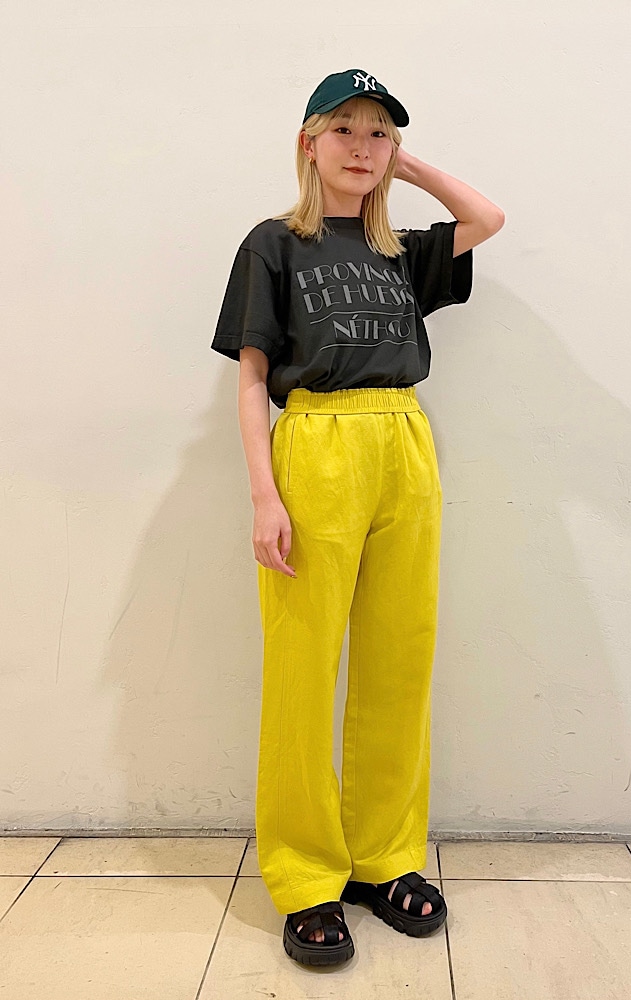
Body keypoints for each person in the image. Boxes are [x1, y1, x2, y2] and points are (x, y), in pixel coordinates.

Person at [210, 68, 505, 967]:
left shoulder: (399, 251)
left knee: (398, 659)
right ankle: (305, 875)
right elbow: (252, 378)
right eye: (345, 129)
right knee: (304, 665)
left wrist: (406, 172)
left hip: (403, 444)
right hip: (316, 445)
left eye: (380, 133)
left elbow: (487, 218)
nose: (362, 147)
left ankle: (384, 858)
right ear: (309, 142)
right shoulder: (274, 243)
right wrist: (265, 495)